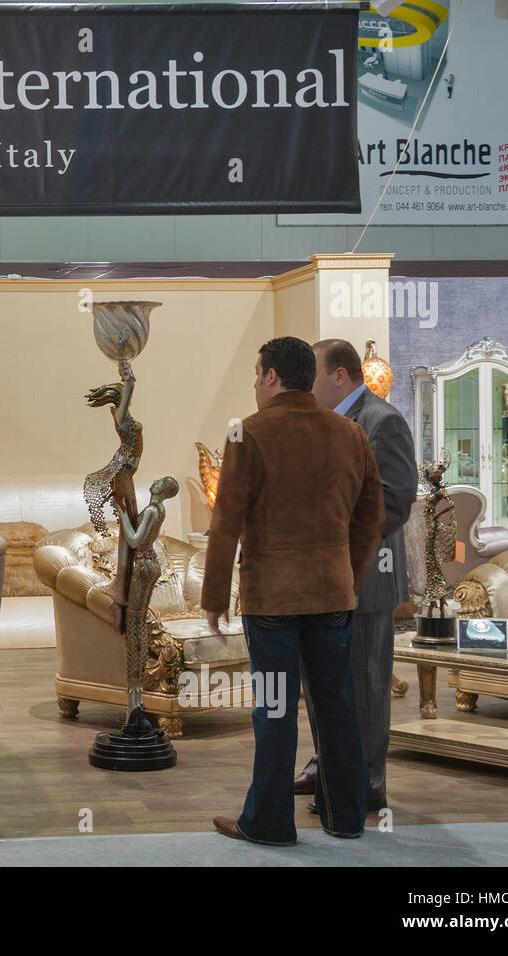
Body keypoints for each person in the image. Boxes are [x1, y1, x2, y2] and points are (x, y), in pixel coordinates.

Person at [205, 337, 384, 846]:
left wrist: (215, 596)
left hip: (272, 597)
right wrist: (346, 571)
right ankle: (347, 818)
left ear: (271, 377)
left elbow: (225, 524)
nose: (255, 384)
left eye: (257, 373)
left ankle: (269, 823)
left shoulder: (248, 433)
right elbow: (371, 516)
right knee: (336, 704)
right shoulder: (349, 433)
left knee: (277, 708)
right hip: (332, 594)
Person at [294, 340, 417, 814]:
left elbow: (394, 500)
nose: (307, 386)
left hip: (365, 580)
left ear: (340, 376)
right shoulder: (322, 424)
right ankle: (330, 767)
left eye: (314, 376)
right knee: (323, 686)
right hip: (321, 582)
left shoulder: (381, 421)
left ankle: (367, 784)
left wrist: (331, 535)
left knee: (364, 688)